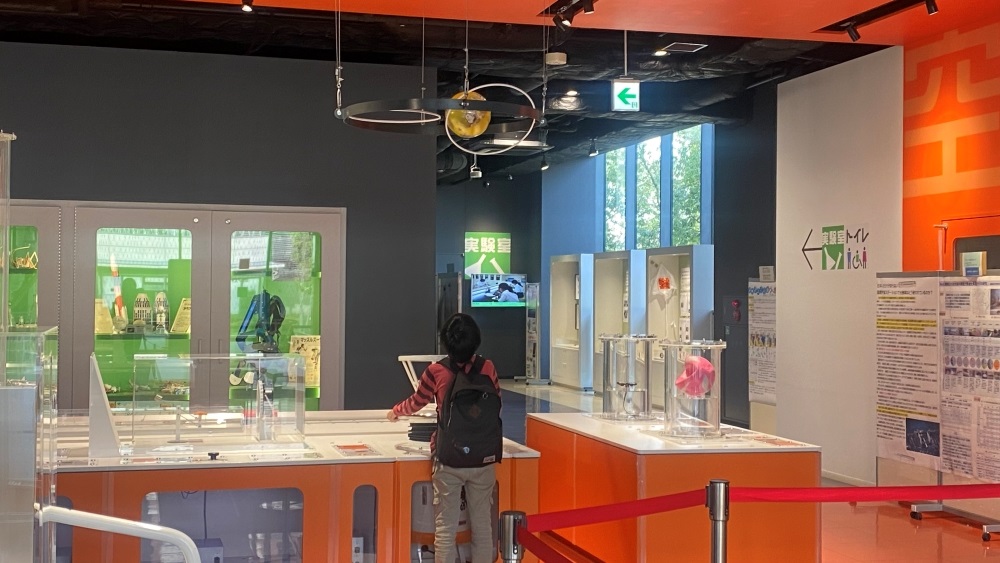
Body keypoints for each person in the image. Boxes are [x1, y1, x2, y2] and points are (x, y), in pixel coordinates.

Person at [387, 313, 500, 563]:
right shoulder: (488, 368)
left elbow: (417, 402)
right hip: (484, 456)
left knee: (446, 530)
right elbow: (497, 403)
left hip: (449, 457)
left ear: (446, 342)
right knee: (483, 527)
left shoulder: (436, 371)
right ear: (476, 340)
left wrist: (395, 411)